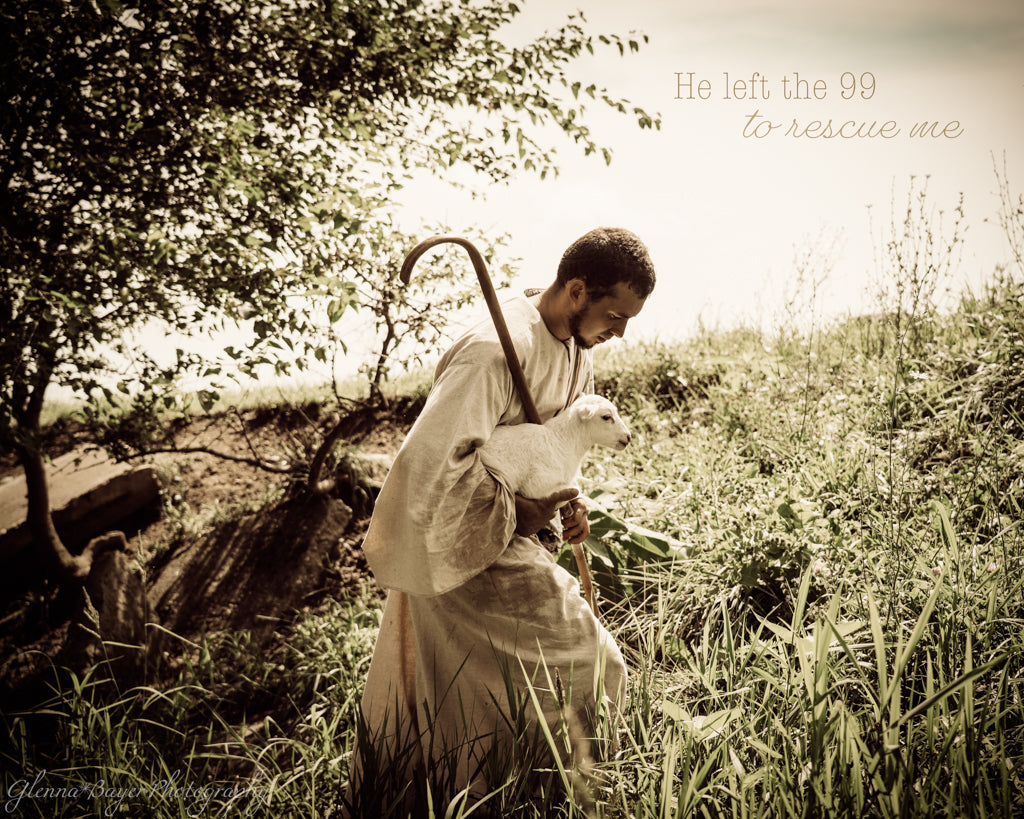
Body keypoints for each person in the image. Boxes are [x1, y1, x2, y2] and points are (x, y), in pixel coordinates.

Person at [349, 227, 656, 812]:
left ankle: (502, 802)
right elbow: (434, 468)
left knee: (476, 697)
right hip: (463, 542)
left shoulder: (574, 349)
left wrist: (570, 499)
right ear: (575, 289)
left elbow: (558, 445)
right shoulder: (493, 352)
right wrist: (518, 510)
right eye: (614, 315)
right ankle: (587, 799)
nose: (619, 332)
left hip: (511, 537)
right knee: (594, 665)